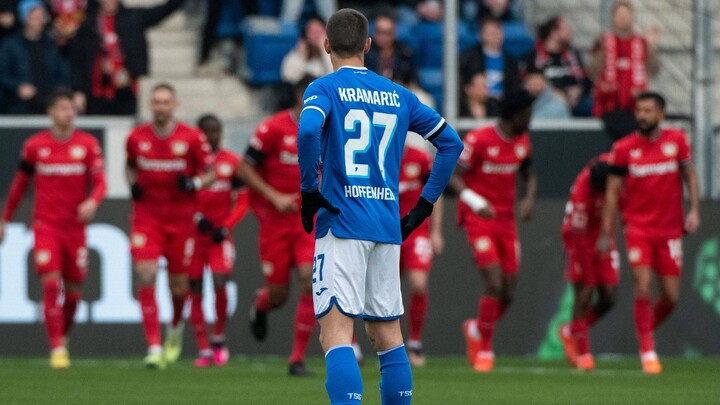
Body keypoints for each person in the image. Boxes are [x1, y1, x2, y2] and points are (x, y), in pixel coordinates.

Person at [297, 8, 463, 404]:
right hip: (387, 227)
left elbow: (306, 131)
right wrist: (423, 207)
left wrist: (308, 189)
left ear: (326, 45)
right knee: (387, 335)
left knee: (336, 333)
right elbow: (451, 143)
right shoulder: (398, 95)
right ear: (368, 46)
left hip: (341, 224)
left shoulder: (323, 89)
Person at [0, 90, 106, 368]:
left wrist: (92, 201)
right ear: (50, 112)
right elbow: (20, 185)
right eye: (62, 108)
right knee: (51, 283)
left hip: (75, 229)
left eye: (71, 108)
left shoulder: (87, 144)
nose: (68, 113)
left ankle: (63, 336)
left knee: (73, 293)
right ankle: (57, 348)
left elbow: (101, 183)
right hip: (46, 225)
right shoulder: (35, 146)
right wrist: (4, 218)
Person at [597, 92, 699, 374]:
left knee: (671, 296)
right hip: (638, 228)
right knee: (643, 286)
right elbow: (613, 192)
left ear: (661, 115)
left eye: (648, 110)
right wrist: (607, 231)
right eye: (639, 110)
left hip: (669, 230)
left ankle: (645, 329)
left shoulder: (676, 141)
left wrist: (694, 210)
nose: (642, 115)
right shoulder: (624, 148)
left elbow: (689, 175)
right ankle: (647, 349)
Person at [125, 83, 215, 369]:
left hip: (180, 220)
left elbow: (210, 173)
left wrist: (194, 183)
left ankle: (174, 329)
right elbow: (130, 166)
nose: (161, 107)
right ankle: (153, 346)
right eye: (157, 102)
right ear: (151, 106)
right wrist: (132, 184)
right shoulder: (136, 137)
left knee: (179, 287)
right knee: (146, 272)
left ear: (174, 105)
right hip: (147, 218)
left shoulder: (191, 138)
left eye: (166, 102)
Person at [237, 75, 320, 377]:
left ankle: (296, 359)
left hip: (308, 222)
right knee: (278, 294)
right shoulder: (272, 128)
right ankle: (260, 305)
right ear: (299, 97)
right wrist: (274, 196)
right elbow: (243, 168)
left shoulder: (330, 130)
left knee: (310, 281)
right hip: (274, 222)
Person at [452, 88, 537, 373]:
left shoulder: (523, 141)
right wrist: (475, 202)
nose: (531, 119)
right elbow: (454, 177)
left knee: (508, 294)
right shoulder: (479, 139)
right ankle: (486, 348)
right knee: (494, 284)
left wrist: (528, 198)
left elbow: (528, 172)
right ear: (516, 115)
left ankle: (476, 328)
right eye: (528, 114)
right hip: (480, 218)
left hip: (506, 221)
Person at [188, 114, 249, 368]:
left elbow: (243, 200)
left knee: (220, 280)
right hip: (193, 234)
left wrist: (226, 226)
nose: (212, 136)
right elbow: (178, 196)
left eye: (216, 131)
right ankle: (203, 348)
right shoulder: (190, 164)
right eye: (207, 132)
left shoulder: (231, 162)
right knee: (194, 287)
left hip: (219, 235)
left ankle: (218, 338)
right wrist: (195, 217)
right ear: (199, 134)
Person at [69, 0, 185, 115]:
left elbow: (163, 10)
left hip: (125, 91)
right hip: (95, 93)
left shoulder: (132, 17)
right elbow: (77, 59)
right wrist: (78, 90)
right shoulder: (87, 24)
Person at [558, 154, 618, 371]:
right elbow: (578, 232)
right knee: (585, 290)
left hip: (602, 235)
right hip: (578, 238)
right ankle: (583, 353)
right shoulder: (584, 192)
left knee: (609, 297)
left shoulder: (614, 168)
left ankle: (571, 331)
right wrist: (588, 274)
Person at [398, 141, 445, 367]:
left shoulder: (419, 157)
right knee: (385, 291)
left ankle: (415, 342)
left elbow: (437, 192)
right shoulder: (377, 157)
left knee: (418, 284)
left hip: (416, 231)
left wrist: (436, 231)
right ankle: (390, 348)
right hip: (387, 232)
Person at [590, 1, 660, 117]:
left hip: (635, 106)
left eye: (626, 15)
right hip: (608, 105)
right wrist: (600, 52)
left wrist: (651, 47)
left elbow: (654, 71)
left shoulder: (642, 43)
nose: (623, 19)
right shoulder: (603, 42)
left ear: (632, 17)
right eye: (619, 15)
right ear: (613, 18)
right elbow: (593, 71)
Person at [0, 0, 70, 114]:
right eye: (35, 17)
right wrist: (17, 87)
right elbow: (3, 74)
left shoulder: (50, 45)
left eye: (41, 17)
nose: (39, 21)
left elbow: (61, 74)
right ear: (25, 19)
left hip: (47, 108)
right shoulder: (11, 45)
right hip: (18, 108)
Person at [525, 16, 589, 116]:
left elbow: (586, 80)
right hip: (546, 100)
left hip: (574, 101)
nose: (570, 32)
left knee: (590, 104)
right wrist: (554, 92)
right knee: (558, 105)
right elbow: (532, 84)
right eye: (566, 29)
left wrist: (578, 89)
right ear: (554, 33)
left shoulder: (573, 55)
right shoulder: (534, 56)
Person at [459, 18, 519, 108]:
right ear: (480, 35)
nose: (495, 35)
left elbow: (514, 87)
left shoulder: (510, 61)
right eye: (491, 33)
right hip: (476, 105)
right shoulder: (468, 58)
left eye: (497, 31)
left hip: (504, 106)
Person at [365, 12, 418, 87]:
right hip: (371, 89)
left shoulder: (405, 52)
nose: (382, 37)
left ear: (394, 33)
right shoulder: (366, 51)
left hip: (400, 88)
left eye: (386, 33)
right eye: (378, 32)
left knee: (424, 98)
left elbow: (413, 79)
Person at [281, 16, 333, 85]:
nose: (315, 36)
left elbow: (334, 77)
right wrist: (301, 56)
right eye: (312, 32)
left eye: (318, 32)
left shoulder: (333, 54)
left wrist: (325, 50)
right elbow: (288, 77)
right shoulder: (298, 53)